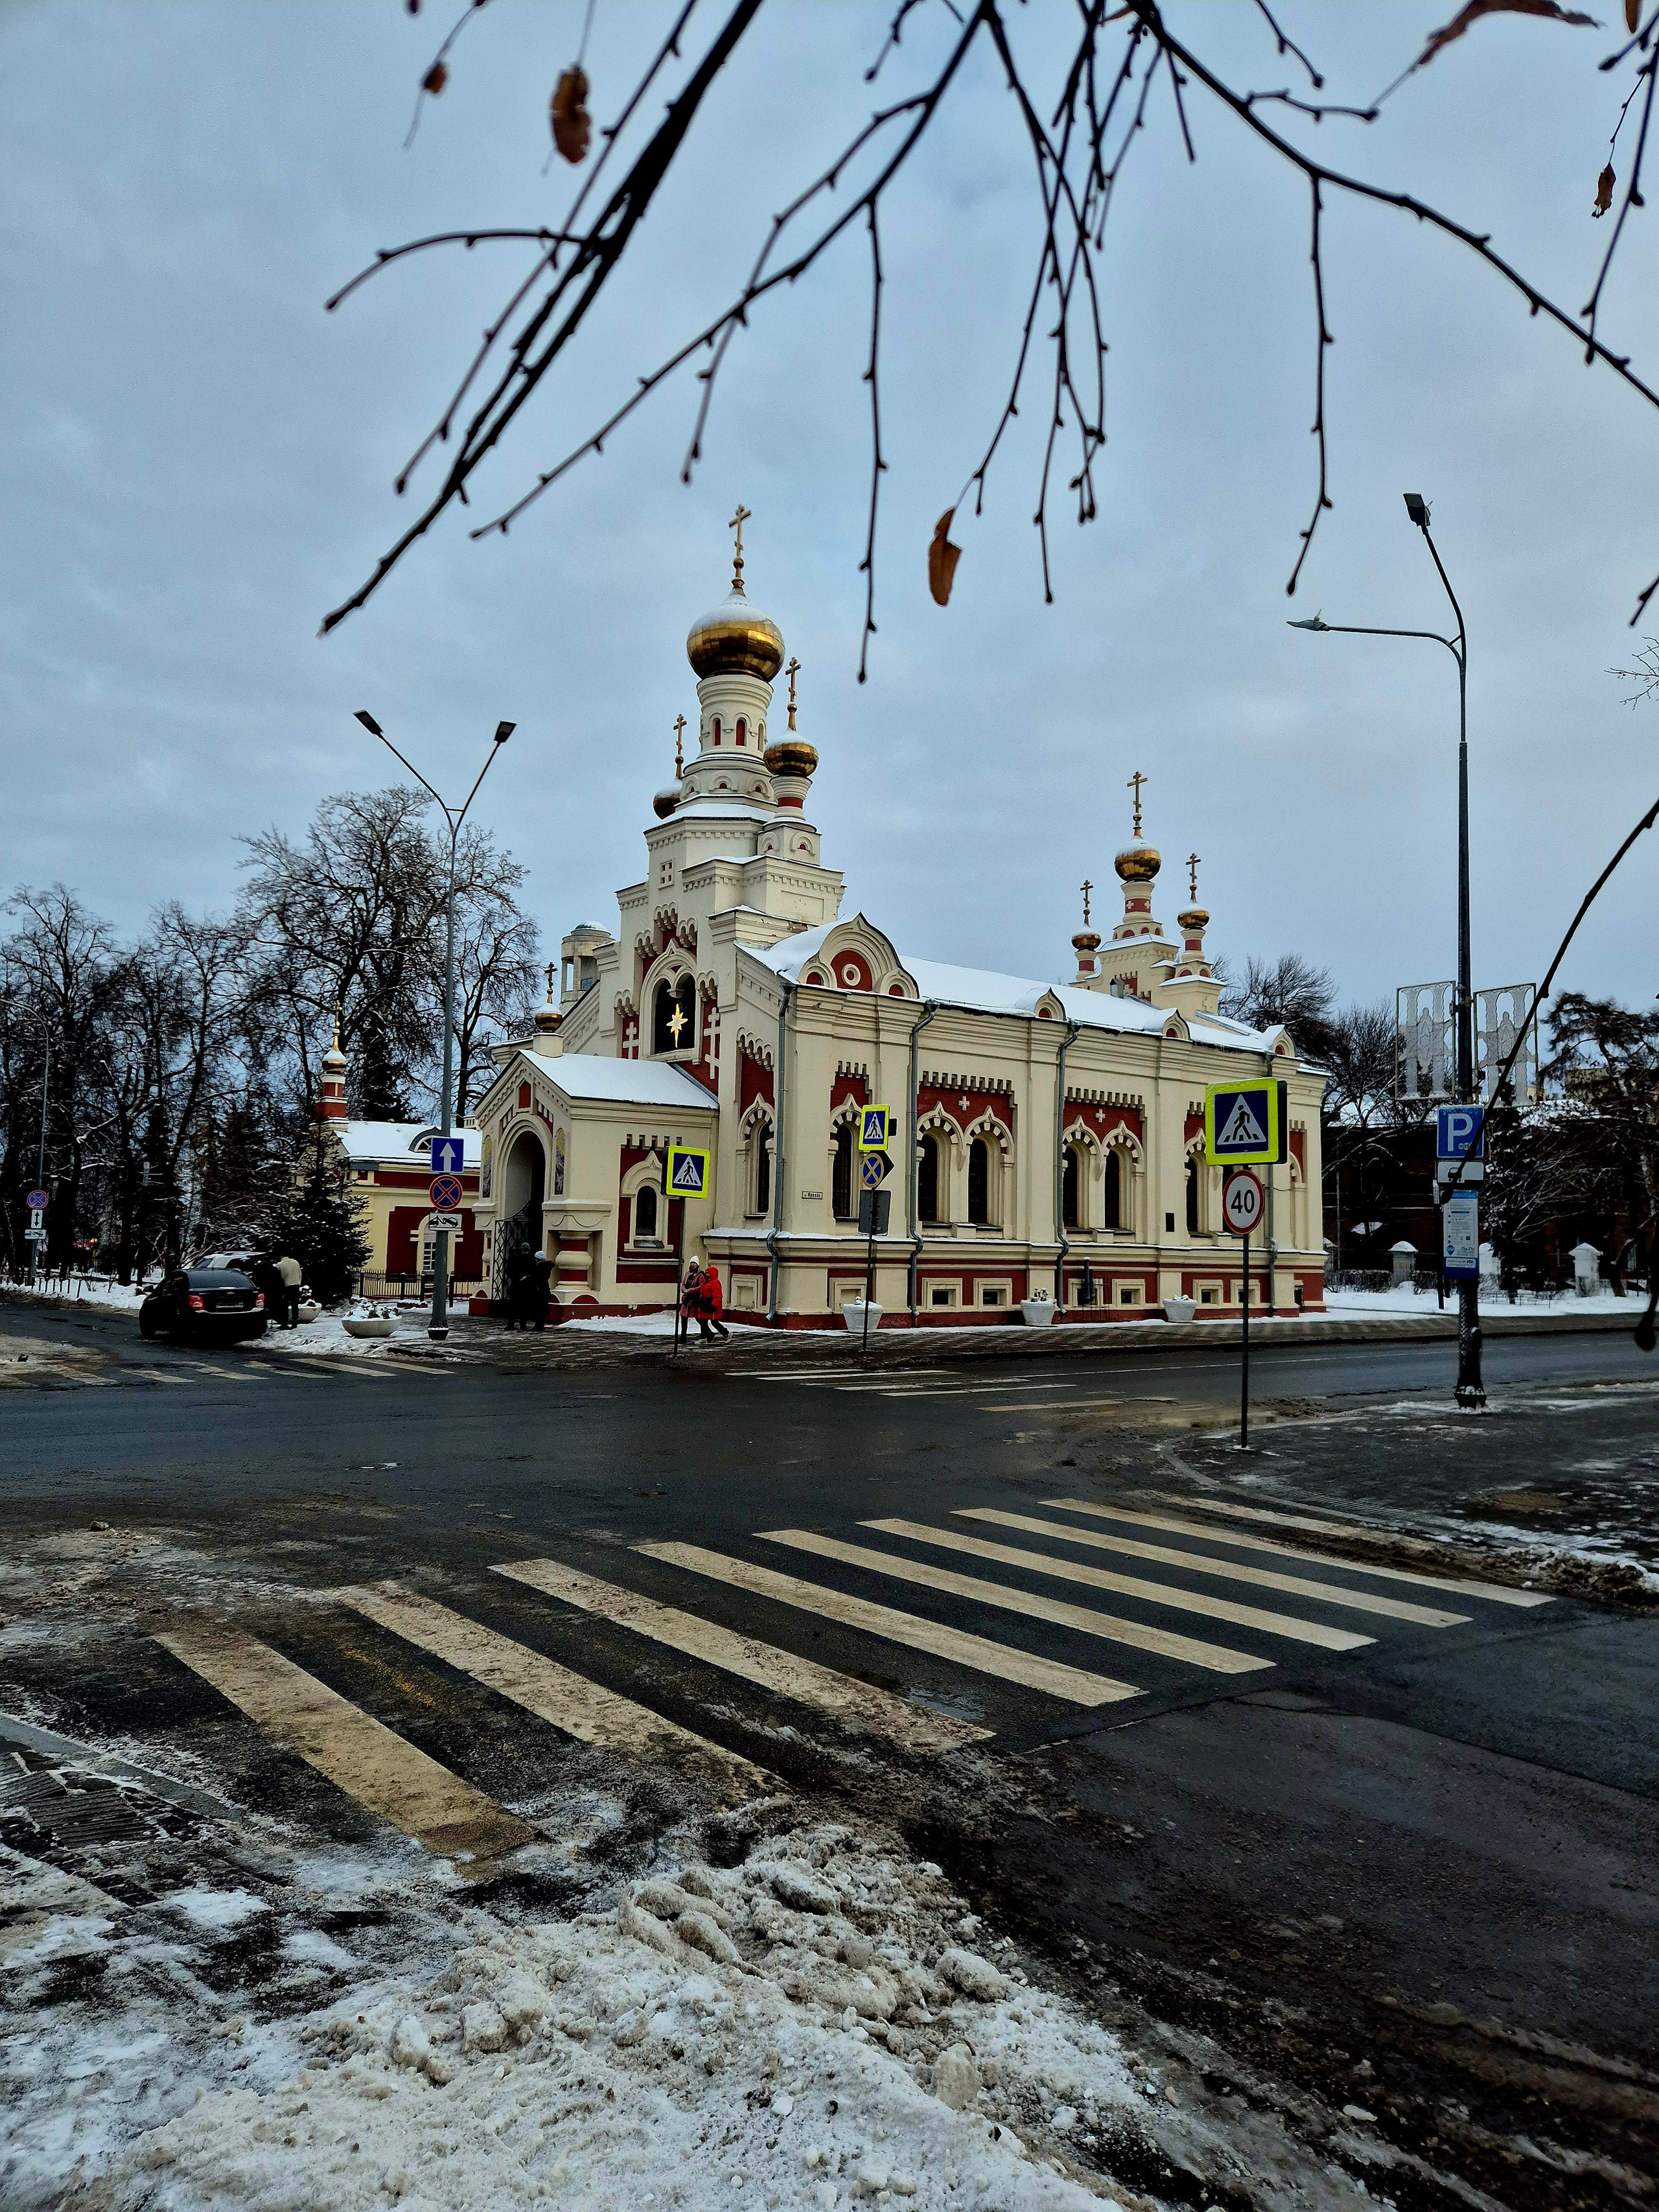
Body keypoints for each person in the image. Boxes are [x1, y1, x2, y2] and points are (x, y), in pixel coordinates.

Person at [699, 1262, 730, 1342]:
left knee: (714, 1322)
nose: (707, 1275)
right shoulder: (707, 1282)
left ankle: (726, 1333)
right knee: (703, 1320)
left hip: (712, 1306)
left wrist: (714, 1305)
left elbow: (718, 1296)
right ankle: (705, 1336)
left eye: (708, 1273)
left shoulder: (715, 1283)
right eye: (706, 1273)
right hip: (707, 1304)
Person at [274, 1251, 303, 1329]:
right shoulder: (295, 1262)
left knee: (284, 1306)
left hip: (287, 1287)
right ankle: (295, 1323)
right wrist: (298, 1283)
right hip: (296, 1285)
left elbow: (280, 1277)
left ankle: (284, 1324)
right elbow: (300, 1274)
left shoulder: (280, 1265)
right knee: (295, 1305)